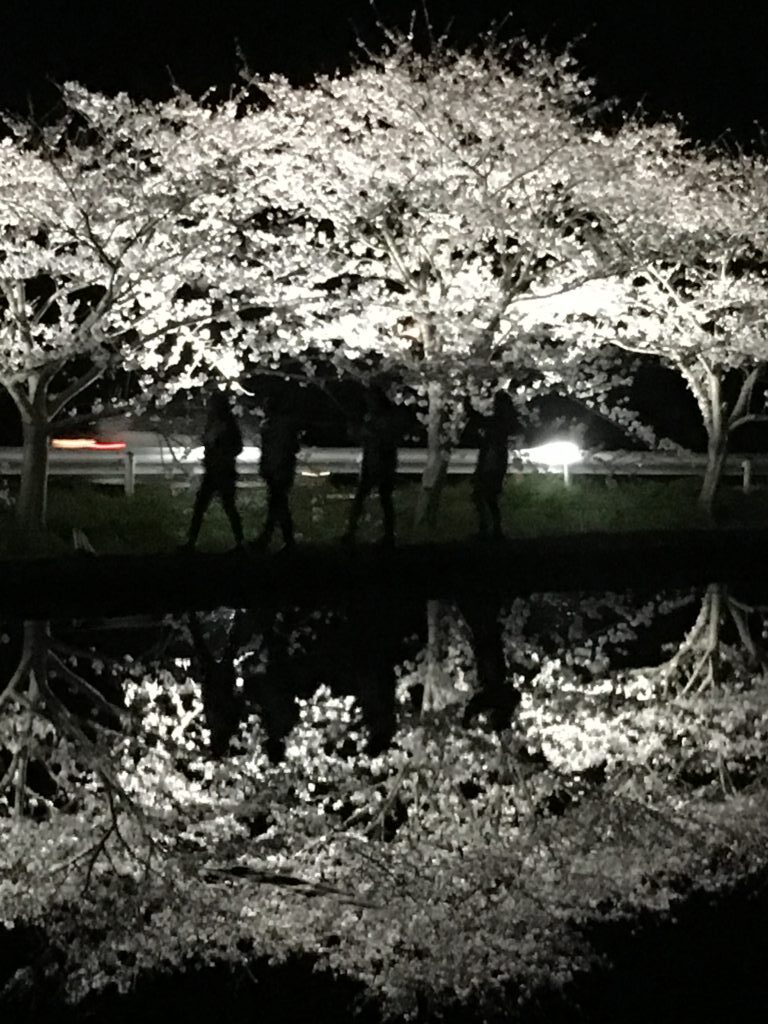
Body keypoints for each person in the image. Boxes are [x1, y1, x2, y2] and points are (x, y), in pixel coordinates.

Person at [183, 391, 244, 551]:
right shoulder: (215, 422)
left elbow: (236, 446)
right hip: (213, 470)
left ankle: (240, 542)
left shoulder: (226, 424)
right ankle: (191, 542)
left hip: (223, 470)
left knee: (225, 506)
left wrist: (220, 452)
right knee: (203, 506)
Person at [343, 385, 399, 546]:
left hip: (382, 462)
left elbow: (380, 438)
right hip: (371, 461)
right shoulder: (372, 417)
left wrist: (362, 431)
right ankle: (352, 531)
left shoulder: (384, 419)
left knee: (382, 498)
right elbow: (364, 438)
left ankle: (386, 534)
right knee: (371, 498)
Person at [466, 389, 515, 541]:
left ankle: (489, 529)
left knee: (484, 495)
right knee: (489, 496)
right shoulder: (505, 421)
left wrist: (468, 404)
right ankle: (493, 529)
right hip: (495, 461)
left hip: (491, 461)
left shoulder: (498, 421)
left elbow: (479, 420)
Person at [253, 395, 300, 551]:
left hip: (279, 469)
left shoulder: (275, 426)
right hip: (279, 468)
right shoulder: (278, 425)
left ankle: (272, 539)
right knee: (278, 504)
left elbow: (282, 448)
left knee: (277, 504)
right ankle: (279, 539)